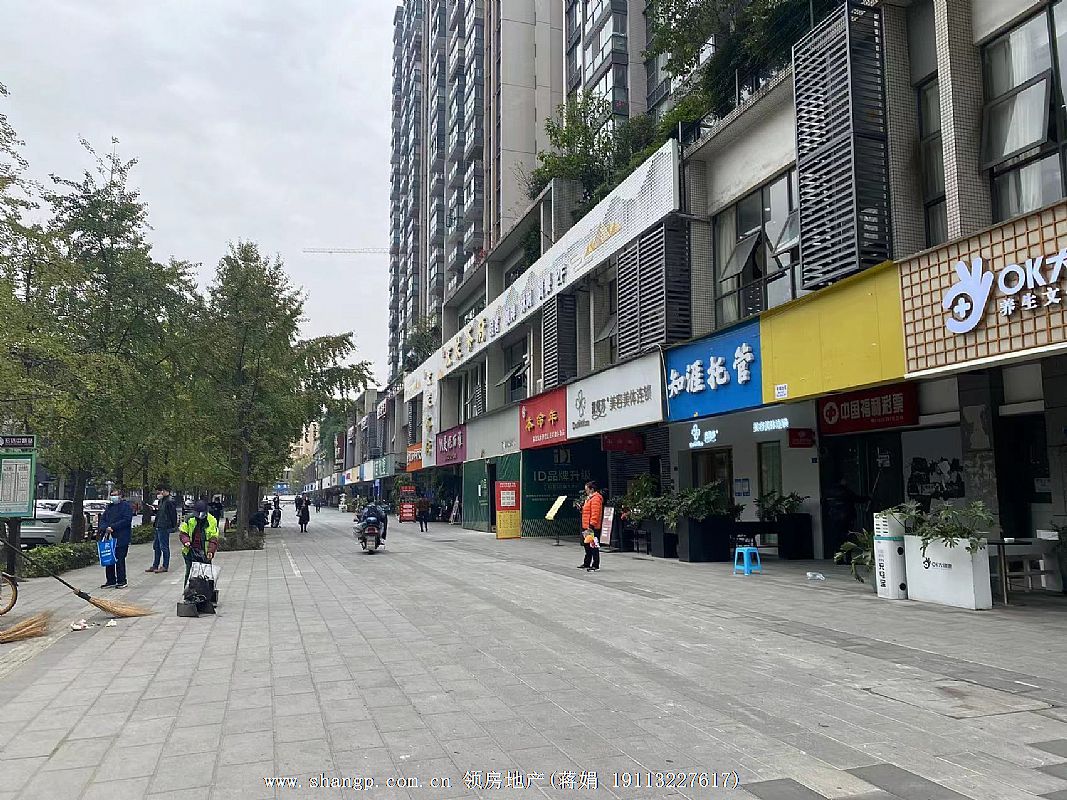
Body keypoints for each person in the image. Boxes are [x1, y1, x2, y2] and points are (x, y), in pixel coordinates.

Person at [178, 500, 219, 586]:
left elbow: (213, 538)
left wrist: (211, 551)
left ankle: (205, 591)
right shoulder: (189, 519)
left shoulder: (211, 521)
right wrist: (186, 541)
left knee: (206, 575)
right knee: (190, 574)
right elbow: (183, 532)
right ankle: (188, 591)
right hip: (190, 551)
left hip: (205, 552)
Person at [99, 489, 134, 588]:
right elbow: (103, 520)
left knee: (120, 559)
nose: (113, 497)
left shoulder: (126, 506)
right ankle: (110, 580)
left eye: (115, 495)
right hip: (109, 537)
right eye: (112, 495)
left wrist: (113, 527)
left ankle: (122, 580)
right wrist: (105, 527)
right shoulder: (109, 507)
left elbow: (126, 520)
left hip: (121, 537)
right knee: (109, 559)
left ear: (120, 496)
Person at [147, 484, 178, 574]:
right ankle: (155, 565)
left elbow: (173, 514)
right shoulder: (162, 501)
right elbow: (160, 513)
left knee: (164, 546)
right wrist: (154, 510)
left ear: (164, 491)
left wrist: (173, 526)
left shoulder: (169, 501)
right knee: (156, 546)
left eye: (159, 492)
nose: (158, 494)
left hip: (164, 526)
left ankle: (165, 565)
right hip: (159, 525)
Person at [579, 480, 604, 572]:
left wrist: (592, 525)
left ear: (592, 489)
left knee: (593, 546)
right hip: (586, 525)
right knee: (587, 545)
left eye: (587, 489)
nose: (586, 491)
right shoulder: (589, 498)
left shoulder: (596, 499)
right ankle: (587, 562)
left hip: (592, 526)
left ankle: (595, 564)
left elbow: (595, 513)